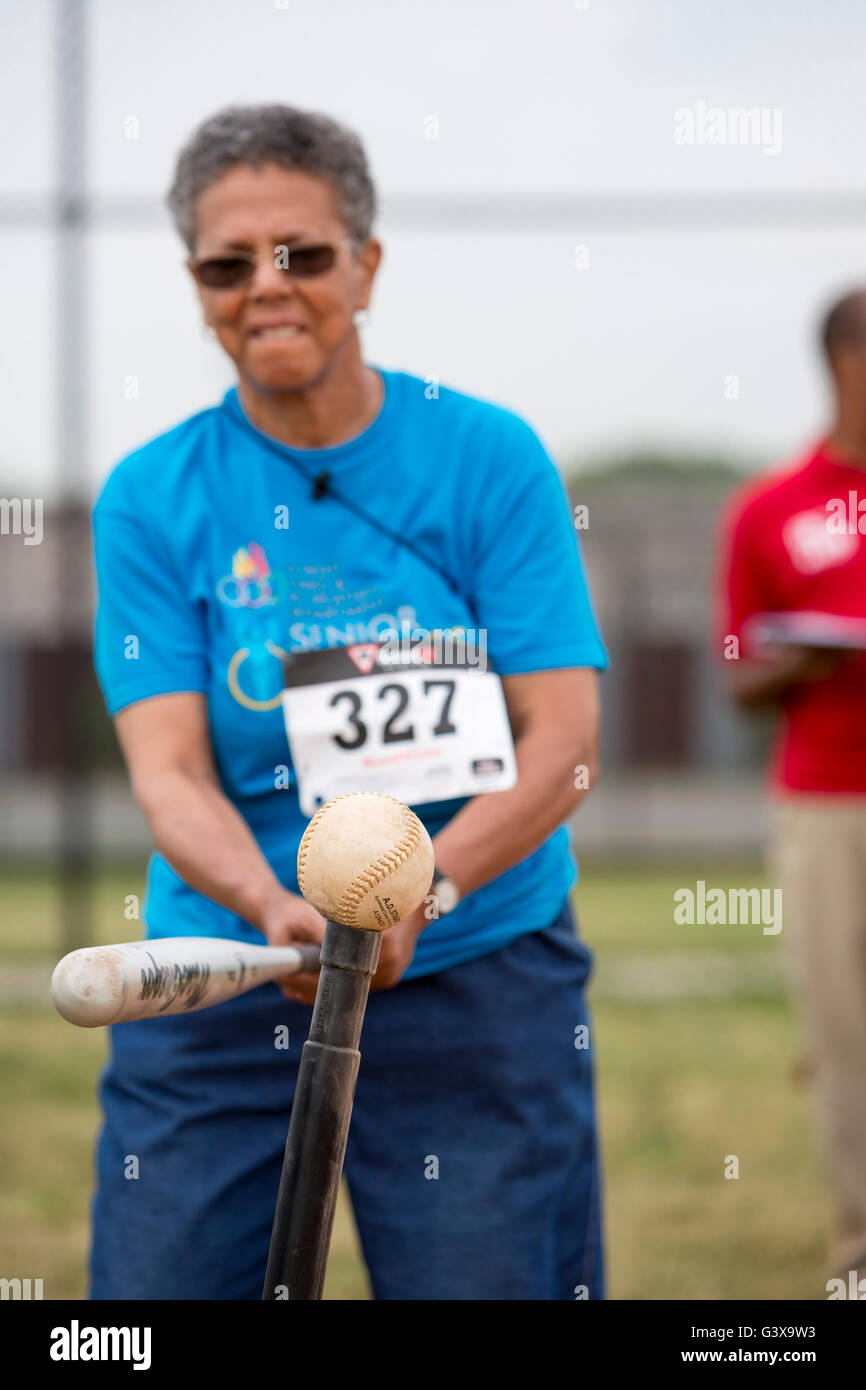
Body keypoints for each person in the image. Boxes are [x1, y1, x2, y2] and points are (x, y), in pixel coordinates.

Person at [89, 104, 608, 1301]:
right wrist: (277, 908)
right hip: (233, 969)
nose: (264, 288)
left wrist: (425, 892)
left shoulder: (487, 457)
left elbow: (567, 747)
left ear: (365, 265)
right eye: (226, 265)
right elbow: (168, 770)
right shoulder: (151, 496)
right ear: (196, 285)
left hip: (475, 964)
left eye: (302, 254)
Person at [718, 288, 866, 1288]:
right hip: (827, 799)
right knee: (843, 1027)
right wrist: (806, 658)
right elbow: (737, 672)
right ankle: (860, 1246)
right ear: (841, 360)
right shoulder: (772, 505)